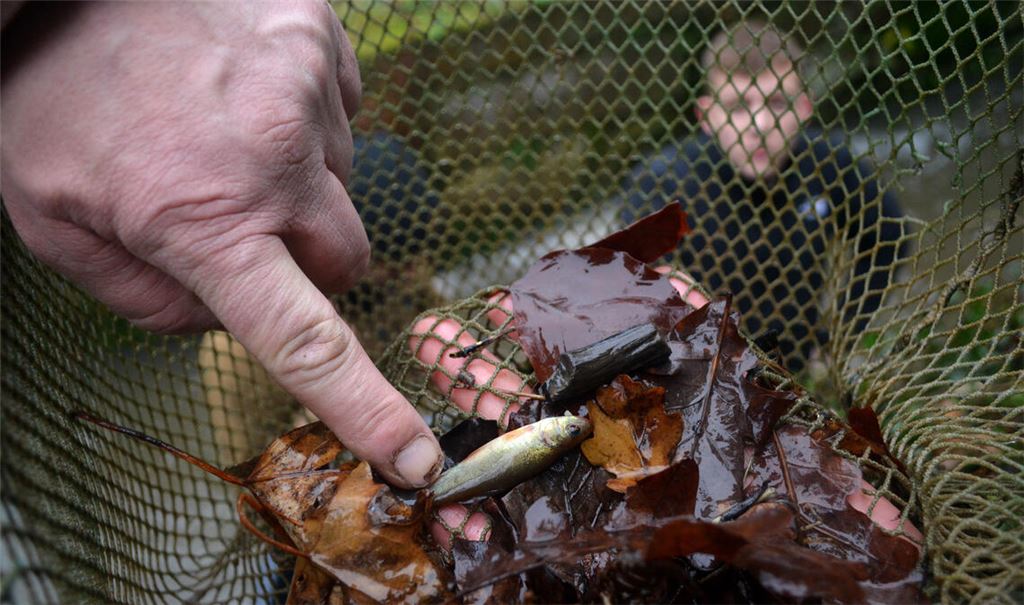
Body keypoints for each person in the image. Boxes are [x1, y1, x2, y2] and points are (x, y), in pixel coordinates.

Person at [0, 2, 443, 489]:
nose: (412, 274)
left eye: (415, 263)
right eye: (399, 265)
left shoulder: (416, 293)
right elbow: (247, 469)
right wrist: (302, 439)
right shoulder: (235, 361)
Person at [621, 20, 905, 368]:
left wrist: (840, 332)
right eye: (739, 107)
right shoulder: (661, 182)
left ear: (804, 107)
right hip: (701, 365)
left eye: (777, 103)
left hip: (795, 363)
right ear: (707, 115)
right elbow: (627, 282)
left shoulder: (828, 165)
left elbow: (889, 236)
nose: (759, 125)